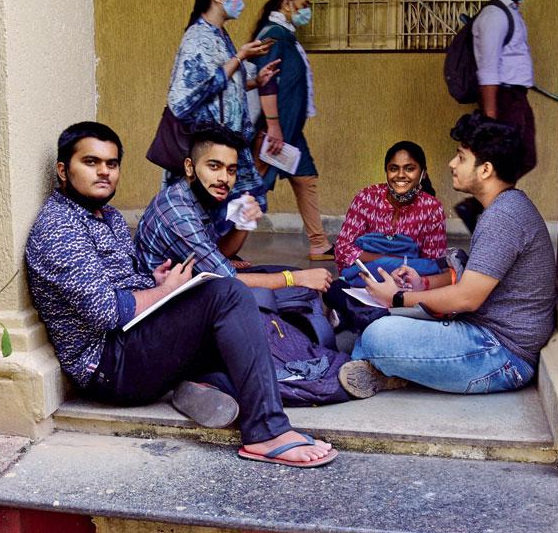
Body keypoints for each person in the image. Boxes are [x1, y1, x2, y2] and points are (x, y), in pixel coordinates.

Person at [25, 122, 335, 468]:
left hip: (133, 341)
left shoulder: (107, 216)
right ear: (63, 170)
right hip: (108, 367)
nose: (104, 172)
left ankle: (206, 385)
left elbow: (123, 282)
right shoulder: (59, 229)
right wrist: (165, 290)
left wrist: (152, 281)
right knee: (228, 294)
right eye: (91, 162)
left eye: (111, 164)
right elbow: (107, 312)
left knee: (233, 324)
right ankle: (265, 431)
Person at [338, 114, 556, 398]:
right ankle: (385, 368)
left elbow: (467, 297)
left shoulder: (503, 217)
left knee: (378, 335)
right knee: (380, 325)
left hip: (501, 355)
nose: (452, 164)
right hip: (485, 336)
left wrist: (398, 298)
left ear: (486, 169)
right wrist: (422, 284)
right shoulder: (505, 208)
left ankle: (381, 367)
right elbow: (473, 282)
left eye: (461, 158)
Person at [135, 126, 333, 293]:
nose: (224, 178)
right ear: (189, 167)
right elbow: (229, 280)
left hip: (199, 283)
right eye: (214, 166)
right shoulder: (177, 211)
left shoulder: (198, 194)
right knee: (292, 285)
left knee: (291, 277)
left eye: (231, 170)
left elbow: (222, 253)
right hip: (165, 304)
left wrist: (244, 223)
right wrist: (295, 278)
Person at [167, 0, 279, 248]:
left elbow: (224, 87)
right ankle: (212, 261)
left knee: (240, 204)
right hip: (208, 145)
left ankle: (223, 258)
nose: (240, 1)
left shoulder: (219, 35)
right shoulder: (197, 38)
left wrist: (255, 81)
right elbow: (189, 93)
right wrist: (241, 56)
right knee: (211, 207)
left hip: (229, 142)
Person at [323, 141, 449, 332]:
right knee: (333, 290)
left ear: (423, 172)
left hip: (404, 287)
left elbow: (433, 264)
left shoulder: (432, 208)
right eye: (393, 168)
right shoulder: (367, 197)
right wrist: (389, 262)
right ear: (386, 171)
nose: (400, 175)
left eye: (409, 169)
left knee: (420, 306)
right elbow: (342, 250)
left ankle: (356, 317)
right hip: (364, 283)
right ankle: (366, 315)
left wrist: (398, 276)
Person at [249, 0, 332, 261]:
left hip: (290, 132)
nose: (308, 10)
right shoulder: (275, 35)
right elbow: (267, 82)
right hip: (274, 132)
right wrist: (273, 126)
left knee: (306, 179)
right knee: (250, 191)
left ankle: (319, 243)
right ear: (287, 4)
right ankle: (220, 245)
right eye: (304, 4)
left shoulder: (287, 35)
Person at [456, 0, 537, 233]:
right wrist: (491, 119)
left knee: (525, 157)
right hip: (502, 99)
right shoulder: (494, 16)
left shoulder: (512, 12)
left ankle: (479, 209)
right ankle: (484, 213)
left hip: (516, 97)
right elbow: (488, 70)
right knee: (507, 162)